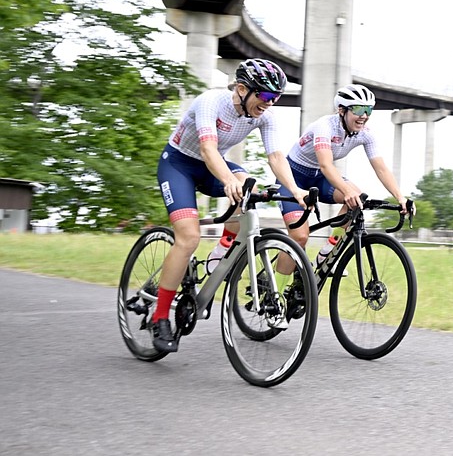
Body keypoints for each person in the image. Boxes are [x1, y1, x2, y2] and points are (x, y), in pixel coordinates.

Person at [153, 58, 307, 353]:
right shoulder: (212, 102)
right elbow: (208, 149)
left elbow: (276, 158)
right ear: (241, 89)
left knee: (249, 189)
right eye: (263, 95)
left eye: (275, 98)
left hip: (214, 164)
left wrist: (296, 190)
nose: (269, 103)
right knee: (188, 238)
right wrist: (227, 180)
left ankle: (220, 255)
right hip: (180, 164)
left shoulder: (265, 115)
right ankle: (160, 316)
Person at [274, 84, 412, 275]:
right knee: (299, 237)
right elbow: (326, 165)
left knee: (358, 199)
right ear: (341, 110)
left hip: (320, 178)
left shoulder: (365, 134)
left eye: (368, 110)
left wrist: (400, 197)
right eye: (358, 109)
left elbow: (381, 168)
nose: (364, 115)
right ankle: (274, 295)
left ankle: (327, 254)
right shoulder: (324, 127)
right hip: (293, 177)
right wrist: (346, 191)